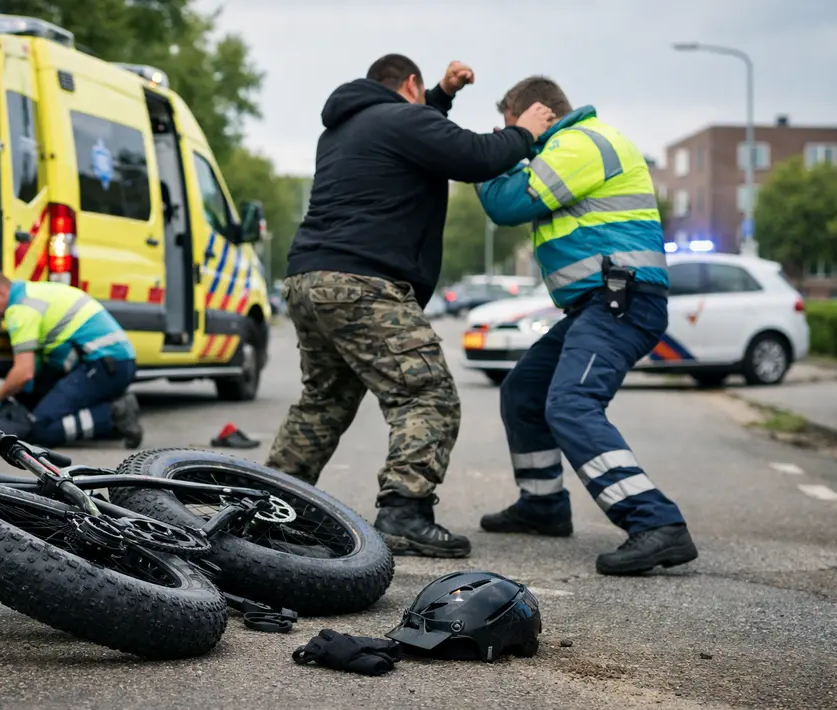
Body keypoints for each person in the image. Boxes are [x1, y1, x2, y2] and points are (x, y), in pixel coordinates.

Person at [264, 54, 557, 559]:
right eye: (426, 97)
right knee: (428, 396)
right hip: (364, 284)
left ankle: (266, 507)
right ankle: (404, 513)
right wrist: (525, 132)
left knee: (324, 402)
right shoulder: (402, 120)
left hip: (309, 279)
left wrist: (441, 95)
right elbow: (476, 156)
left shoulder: (344, 128)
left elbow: (423, 131)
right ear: (410, 85)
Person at [474, 76, 698, 576]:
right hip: (599, 305)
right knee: (523, 393)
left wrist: (491, 157)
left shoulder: (580, 144)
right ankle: (543, 505)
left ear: (540, 115)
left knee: (571, 404)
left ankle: (656, 521)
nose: (514, 138)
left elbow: (506, 203)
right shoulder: (566, 150)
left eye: (514, 126)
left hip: (622, 302)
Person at [0, 270, 143, 449]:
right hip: (113, 363)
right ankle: (105, 420)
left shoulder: (21, 309)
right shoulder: (32, 292)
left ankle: (113, 414)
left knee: (40, 428)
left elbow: (24, 373)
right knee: (43, 406)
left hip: (104, 366)